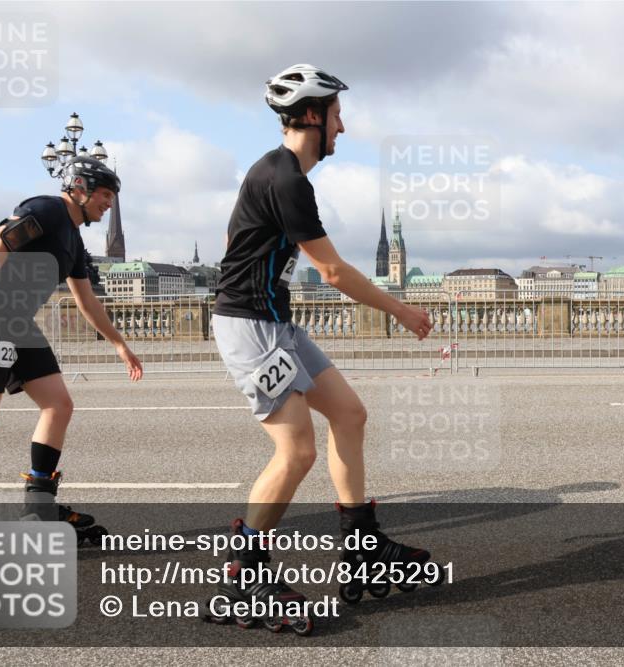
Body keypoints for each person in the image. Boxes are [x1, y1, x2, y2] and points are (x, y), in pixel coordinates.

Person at [203, 65, 437, 635]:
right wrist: (402, 311)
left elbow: (240, 243)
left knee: (350, 413)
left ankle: (360, 548)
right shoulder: (283, 177)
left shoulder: (280, 175)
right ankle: (243, 577)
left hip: (275, 321)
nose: (343, 127)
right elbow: (331, 271)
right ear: (312, 116)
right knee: (296, 452)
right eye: (336, 115)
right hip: (249, 328)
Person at [0, 156, 143, 543]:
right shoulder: (46, 210)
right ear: (79, 188)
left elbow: (86, 300)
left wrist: (119, 344)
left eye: (112, 197)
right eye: (104, 194)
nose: (109, 203)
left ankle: (38, 506)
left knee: (59, 405)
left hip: (18, 325)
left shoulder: (74, 239)